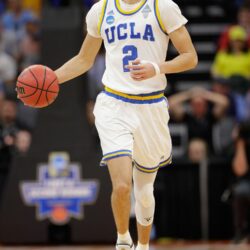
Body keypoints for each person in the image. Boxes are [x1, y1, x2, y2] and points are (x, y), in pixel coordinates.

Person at [45, 0, 198, 249]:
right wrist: (51, 78)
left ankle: (144, 245)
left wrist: (158, 68)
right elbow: (85, 59)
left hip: (151, 107)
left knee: (145, 190)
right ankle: (123, 239)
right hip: (114, 104)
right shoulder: (102, 10)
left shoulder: (163, 7)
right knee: (123, 184)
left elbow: (190, 57)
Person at [231, 120, 250, 243]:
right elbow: (240, 170)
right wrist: (240, 143)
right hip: (246, 181)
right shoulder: (242, 141)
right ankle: (241, 232)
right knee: (242, 190)